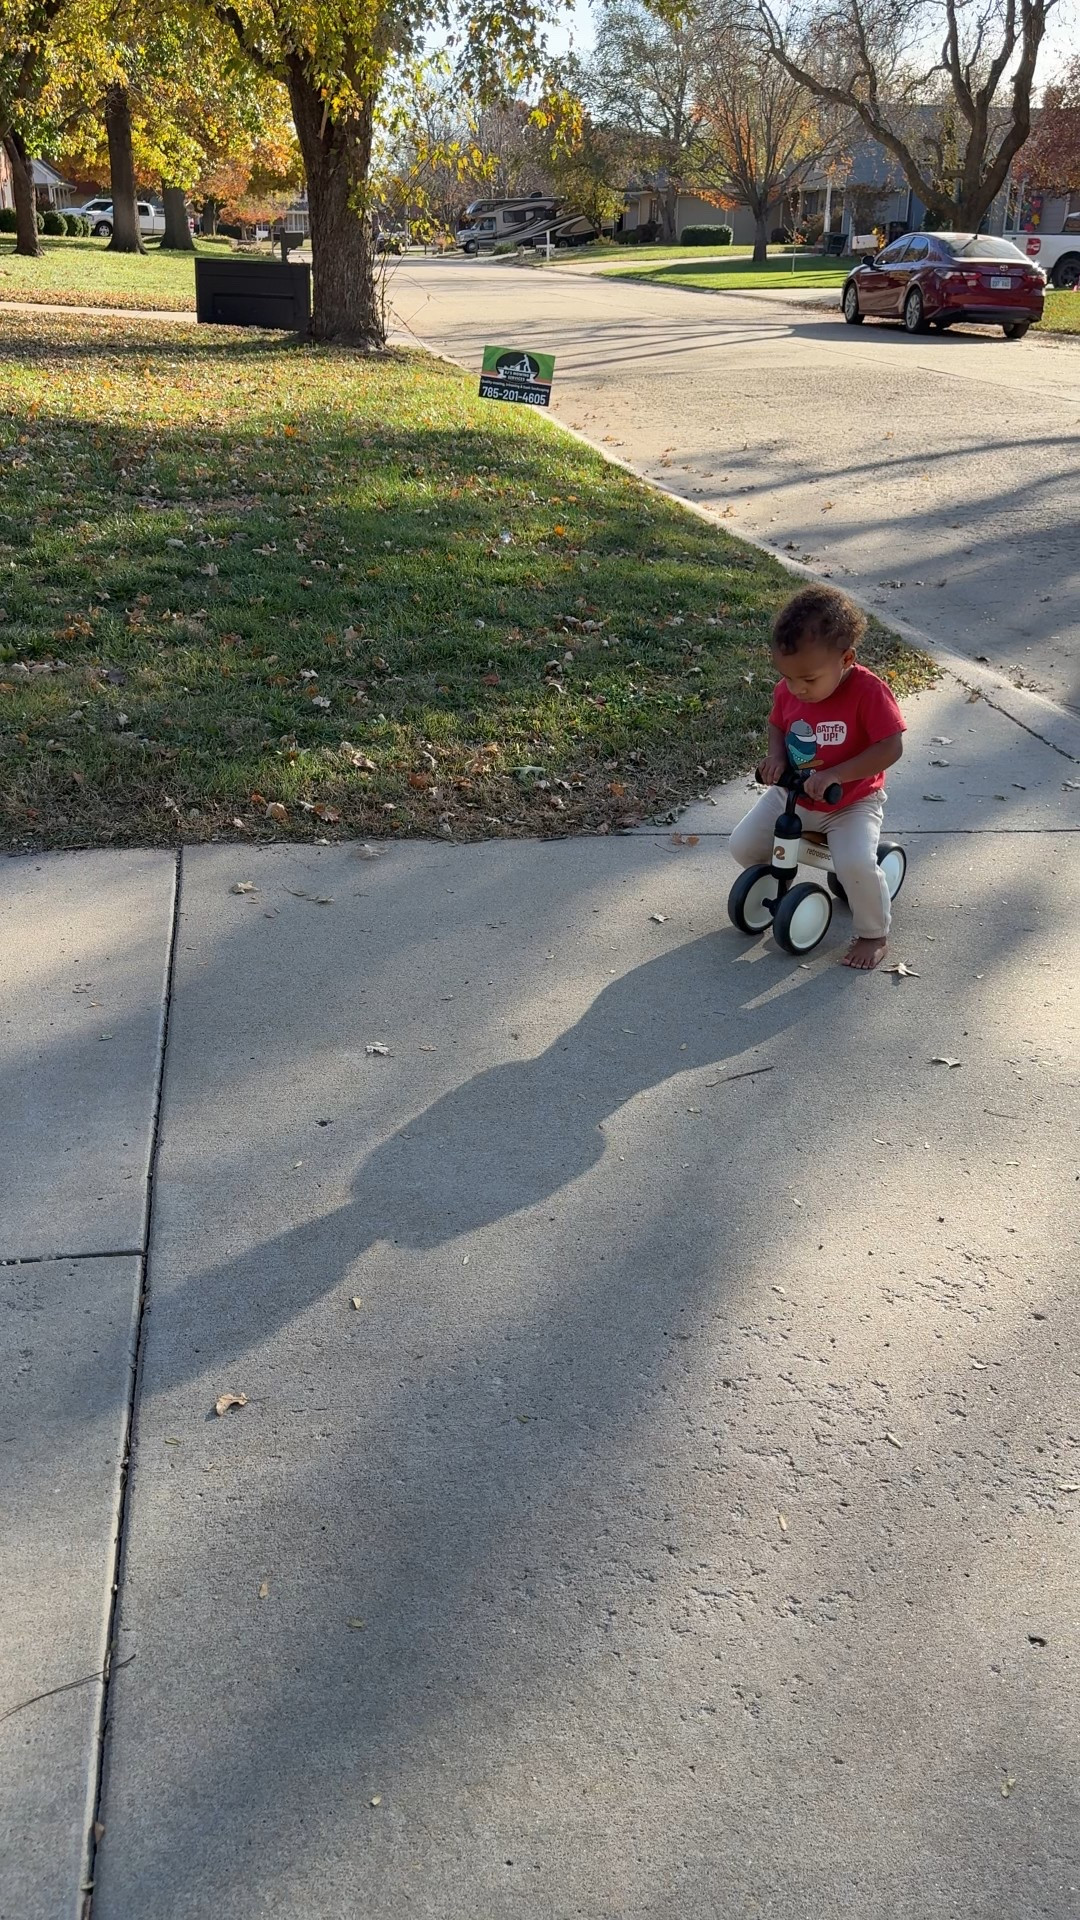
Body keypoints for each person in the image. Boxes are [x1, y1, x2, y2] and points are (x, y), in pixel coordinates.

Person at [730, 586, 905, 971]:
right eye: (787, 677)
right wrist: (776, 757)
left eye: (808, 679)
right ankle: (778, 883)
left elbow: (890, 747)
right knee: (743, 845)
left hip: (850, 802)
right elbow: (778, 723)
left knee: (855, 864)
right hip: (794, 794)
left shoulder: (868, 692)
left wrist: (837, 774)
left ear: (846, 659)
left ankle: (874, 933)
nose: (796, 689)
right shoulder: (790, 689)